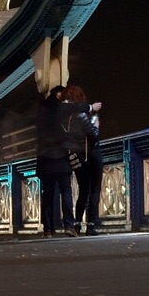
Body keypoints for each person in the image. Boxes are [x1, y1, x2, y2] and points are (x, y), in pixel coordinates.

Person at [34, 85, 76, 236]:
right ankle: (69, 226)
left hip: (45, 159)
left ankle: (48, 230)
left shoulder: (41, 111)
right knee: (65, 191)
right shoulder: (60, 109)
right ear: (58, 94)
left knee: (48, 194)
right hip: (61, 158)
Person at [66, 83, 105, 234]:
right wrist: (96, 125)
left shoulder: (66, 118)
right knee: (94, 189)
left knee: (83, 190)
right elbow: (93, 135)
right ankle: (91, 225)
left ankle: (76, 225)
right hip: (91, 154)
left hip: (77, 157)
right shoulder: (81, 115)